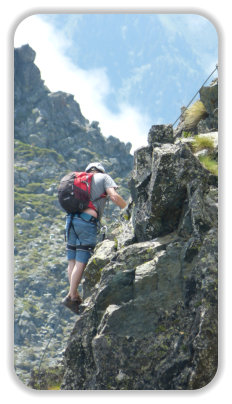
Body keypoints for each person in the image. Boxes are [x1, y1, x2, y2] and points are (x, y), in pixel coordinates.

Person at [62, 162, 127, 313]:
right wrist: (129, 208)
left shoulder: (78, 180)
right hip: (87, 222)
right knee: (81, 260)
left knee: (72, 260)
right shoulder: (104, 177)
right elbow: (114, 196)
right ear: (101, 171)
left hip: (70, 221)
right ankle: (72, 296)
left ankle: (72, 293)